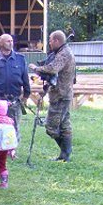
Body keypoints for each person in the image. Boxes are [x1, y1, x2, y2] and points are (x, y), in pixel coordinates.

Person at [29, 30, 75, 162]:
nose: (49, 43)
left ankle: (66, 153)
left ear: (56, 40)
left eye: (50, 40)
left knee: (51, 127)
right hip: (61, 93)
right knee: (64, 125)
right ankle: (65, 156)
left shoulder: (64, 53)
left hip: (60, 95)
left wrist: (36, 68)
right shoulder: (62, 52)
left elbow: (53, 68)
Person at [0, 33, 31, 141]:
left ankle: (12, 150)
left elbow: (25, 77)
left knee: (13, 126)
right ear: (1, 43)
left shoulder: (20, 58)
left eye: (11, 41)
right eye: (8, 41)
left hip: (14, 98)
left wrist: (26, 94)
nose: (11, 43)